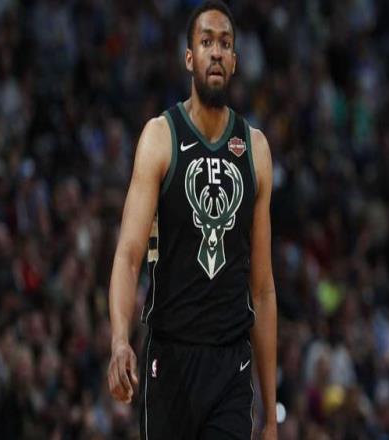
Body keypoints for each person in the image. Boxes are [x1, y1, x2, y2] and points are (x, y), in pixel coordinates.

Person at [107, 1, 277, 438]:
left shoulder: (255, 149)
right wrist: (120, 340)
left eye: (225, 43)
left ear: (235, 60)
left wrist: (271, 416)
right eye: (206, 42)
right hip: (171, 358)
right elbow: (128, 255)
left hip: (231, 364)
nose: (216, 51)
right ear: (189, 58)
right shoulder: (160, 137)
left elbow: (262, 289)